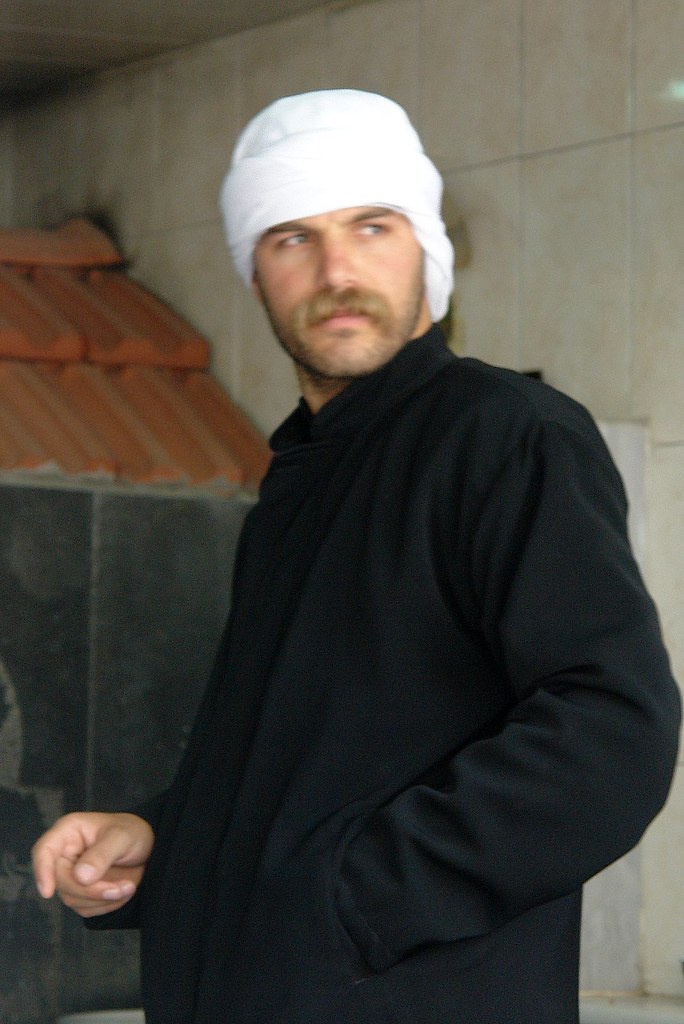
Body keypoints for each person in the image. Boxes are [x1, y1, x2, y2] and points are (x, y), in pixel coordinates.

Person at [32, 90, 680, 1024]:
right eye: (293, 237)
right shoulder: (299, 480)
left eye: (372, 226)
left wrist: (349, 904)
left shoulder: (506, 436)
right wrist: (161, 841)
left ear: (426, 249)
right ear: (255, 271)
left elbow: (610, 734)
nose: (336, 269)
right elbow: (308, 771)